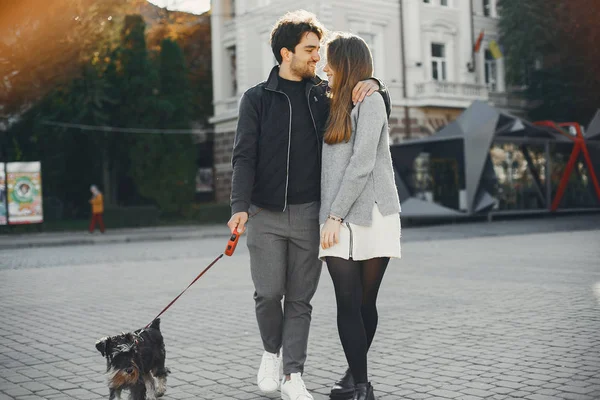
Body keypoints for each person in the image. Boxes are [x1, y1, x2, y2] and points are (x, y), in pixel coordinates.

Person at [227, 10, 390, 400]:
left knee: (300, 299)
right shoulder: (256, 99)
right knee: (268, 294)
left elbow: (368, 112)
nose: (318, 58)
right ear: (286, 53)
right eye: (311, 50)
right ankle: (271, 353)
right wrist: (238, 205)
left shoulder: (323, 94)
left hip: (310, 213)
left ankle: (293, 376)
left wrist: (376, 84)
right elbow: (243, 156)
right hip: (264, 212)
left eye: (319, 50)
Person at [319, 33, 401, 400]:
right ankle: (359, 380)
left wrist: (335, 216)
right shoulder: (330, 102)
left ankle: (358, 382)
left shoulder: (371, 103)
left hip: (370, 213)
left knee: (365, 303)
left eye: (330, 63)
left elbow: (363, 162)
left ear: (346, 65)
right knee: (347, 303)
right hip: (338, 218)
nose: (324, 68)